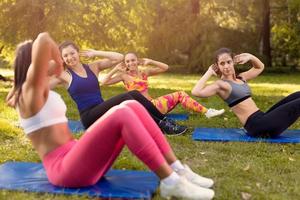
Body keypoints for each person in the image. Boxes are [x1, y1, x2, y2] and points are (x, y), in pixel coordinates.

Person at [6, 32, 215, 199]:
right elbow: (43, 39)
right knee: (124, 109)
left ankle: (177, 169)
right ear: (30, 66)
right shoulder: (28, 94)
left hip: (78, 157)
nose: (53, 62)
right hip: (65, 171)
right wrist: (58, 61)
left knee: (131, 105)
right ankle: (170, 181)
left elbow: (45, 52)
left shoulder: (38, 90)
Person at [50, 41, 187, 135]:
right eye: (65, 55)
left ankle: (165, 120)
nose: (70, 57)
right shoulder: (64, 75)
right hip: (89, 117)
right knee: (125, 97)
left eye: (72, 53)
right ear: (62, 59)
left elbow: (119, 57)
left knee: (134, 93)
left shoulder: (93, 66)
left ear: (78, 53)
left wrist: (96, 52)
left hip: (102, 110)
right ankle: (161, 126)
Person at [192, 47, 300, 138]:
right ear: (217, 65)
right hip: (257, 126)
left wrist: (250, 57)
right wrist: (209, 71)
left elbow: (260, 67)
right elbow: (196, 92)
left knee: (298, 95)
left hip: (263, 118)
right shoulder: (221, 85)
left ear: (233, 61)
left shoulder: (241, 78)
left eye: (228, 62)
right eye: (222, 63)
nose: (226, 66)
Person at [101, 52, 225, 118]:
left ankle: (207, 112)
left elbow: (165, 67)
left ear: (137, 61)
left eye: (133, 60)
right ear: (125, 64)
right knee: (180, 94)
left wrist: (151, 61)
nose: (131, 63)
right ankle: (207, 112)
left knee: (180, 94)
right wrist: (115, 69)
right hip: (141, 109)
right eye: (127, 61)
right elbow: (104, 82)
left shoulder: (145, 72)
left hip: (152, 105)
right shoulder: (123, 76)